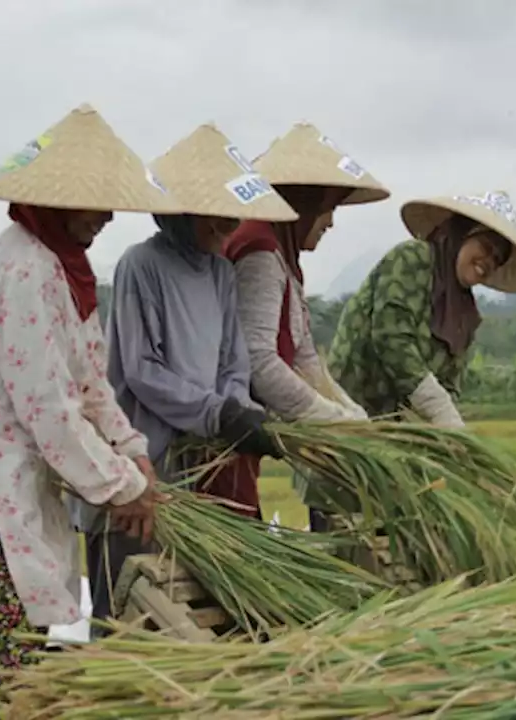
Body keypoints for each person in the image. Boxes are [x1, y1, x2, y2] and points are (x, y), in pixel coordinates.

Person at [0, 103, 173, 719]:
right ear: (57, 202)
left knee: (27, 639)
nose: (108, 217)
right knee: (7, 666)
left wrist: (133, 453)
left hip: (16, 470)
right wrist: (122, 487)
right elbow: (51, 412)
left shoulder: (67, 267)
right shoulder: (24, 268)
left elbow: (89, 379)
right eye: (96, 203)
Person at [64, 124, 301, 624]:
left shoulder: (219, 273)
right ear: (183, 211)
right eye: (215, 217)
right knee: (125, 603)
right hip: (139, 468)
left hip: (195, 472)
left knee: (177, 607)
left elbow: (233, 360)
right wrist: (216, 414)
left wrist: (235, 408)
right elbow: (143, 370)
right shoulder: (140, 266)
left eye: (231, 216)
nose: (227, 227)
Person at [223, 123, 390, 532]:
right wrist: (326, 418)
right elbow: (259, 361)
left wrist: (351, 415)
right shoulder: (261, 251)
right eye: (328, 207)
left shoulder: (283, 252)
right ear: (303, 202)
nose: (330, 222)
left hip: (246, 431)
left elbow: (303, 355)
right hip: (226, 430)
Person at [328, 190, 516, 429]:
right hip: (349, 412)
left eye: (497, 259)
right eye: (486, 246)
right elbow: (391, 339)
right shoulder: (413, 259)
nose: (489, 261)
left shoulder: (465, 316)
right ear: (462, 235)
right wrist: (437, 406)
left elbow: (451, 383)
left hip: (397, 430)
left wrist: (445, 425)